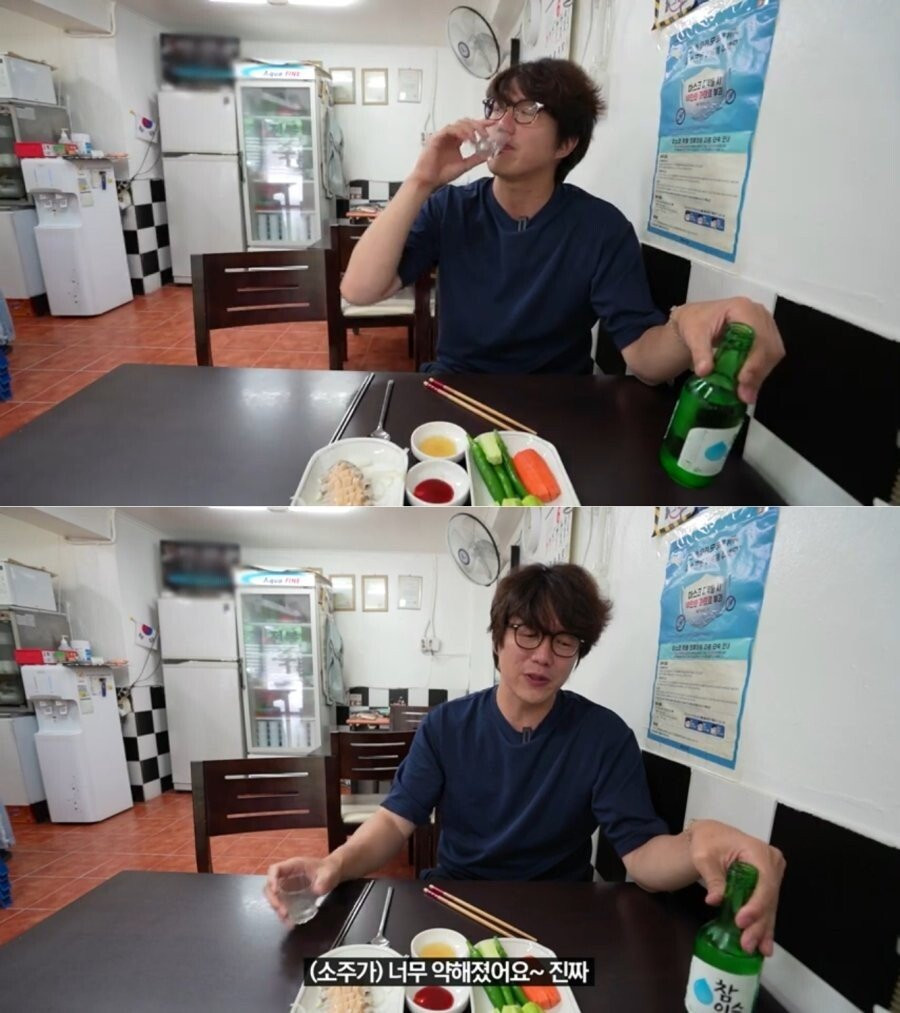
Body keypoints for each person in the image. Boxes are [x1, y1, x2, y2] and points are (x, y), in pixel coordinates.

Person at [266, 563, 785, 958]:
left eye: (564, 641)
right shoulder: (446, 726)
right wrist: (334, 863)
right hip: (455, 902)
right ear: (498, 638)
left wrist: (696, 843)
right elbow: (393, 822)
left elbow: (644, 861)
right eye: (528, 632)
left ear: (578, 652)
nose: (543, 656)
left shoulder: (605, 737)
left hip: (563, 914)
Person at [340, 58, 784, 401]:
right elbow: (359, 290)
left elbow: (647, 361)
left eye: (526, 110)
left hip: (560, 401)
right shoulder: (450, 208)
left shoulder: (601, 229)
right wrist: (421, 180)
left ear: (566, 144)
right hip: (456, 388)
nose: (501, 123)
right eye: (498, 107)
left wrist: (686, 323)